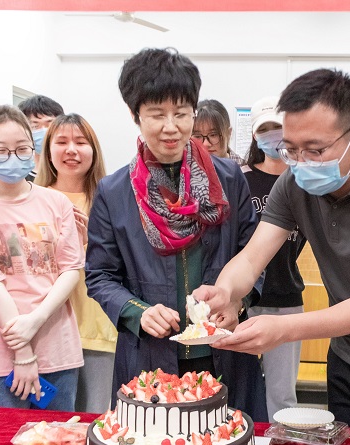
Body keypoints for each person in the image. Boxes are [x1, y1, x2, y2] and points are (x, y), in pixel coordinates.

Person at [194, 69, 350, 428]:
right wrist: (225, 292)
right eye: (291, 149)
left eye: (315, 150)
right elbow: (252, 259)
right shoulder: (293, 183)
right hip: (347, 351)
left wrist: (282, 329)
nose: (301, 161)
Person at [85, 48, 267, 421]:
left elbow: (254, 254)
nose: (171, 127)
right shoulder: (114, 191)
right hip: (150, 356)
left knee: (230, 443)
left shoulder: (229, 179)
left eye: (182, 113)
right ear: (135, 115)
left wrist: (237, 302)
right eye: (157, 114)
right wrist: (137, 312)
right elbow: (100, 275)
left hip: (224, 349)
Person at [0, 105, 83, 409]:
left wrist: (36, 320)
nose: (13, 157)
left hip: (57, 348)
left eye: (22, 149)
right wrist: (23, 353)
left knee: (60, 438)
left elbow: (70, 270)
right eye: (1, 151)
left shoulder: (57, 202)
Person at [35, 113, 118, 413]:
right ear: (48, 151)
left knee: (94, 418)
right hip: (47, 330)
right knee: (51, 421)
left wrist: (87, 243)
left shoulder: (110, 199)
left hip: (99, 330)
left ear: (94, 151)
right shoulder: (34, 199)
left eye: (81, 142)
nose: (71, 150)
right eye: (62, 142)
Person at [243, 96, 306, 420]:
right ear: (254, 135)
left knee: (282, 395)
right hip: (244, 301)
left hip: (286, 298)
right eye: (264, 129)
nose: (272, 136)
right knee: (242, 390)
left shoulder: (304, 179)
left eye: (277, 128)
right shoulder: (241, 179)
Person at [18, 95, 65, 182]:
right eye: (35, 126)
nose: (44, 131)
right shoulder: (18, 175)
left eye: (50, 125)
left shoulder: (70, 170)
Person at [193, 99, 245, 165]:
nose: (205, 144)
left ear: (228, 133)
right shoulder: (185, 168)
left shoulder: (244, 169)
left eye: (213, 135)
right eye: (198, 136)